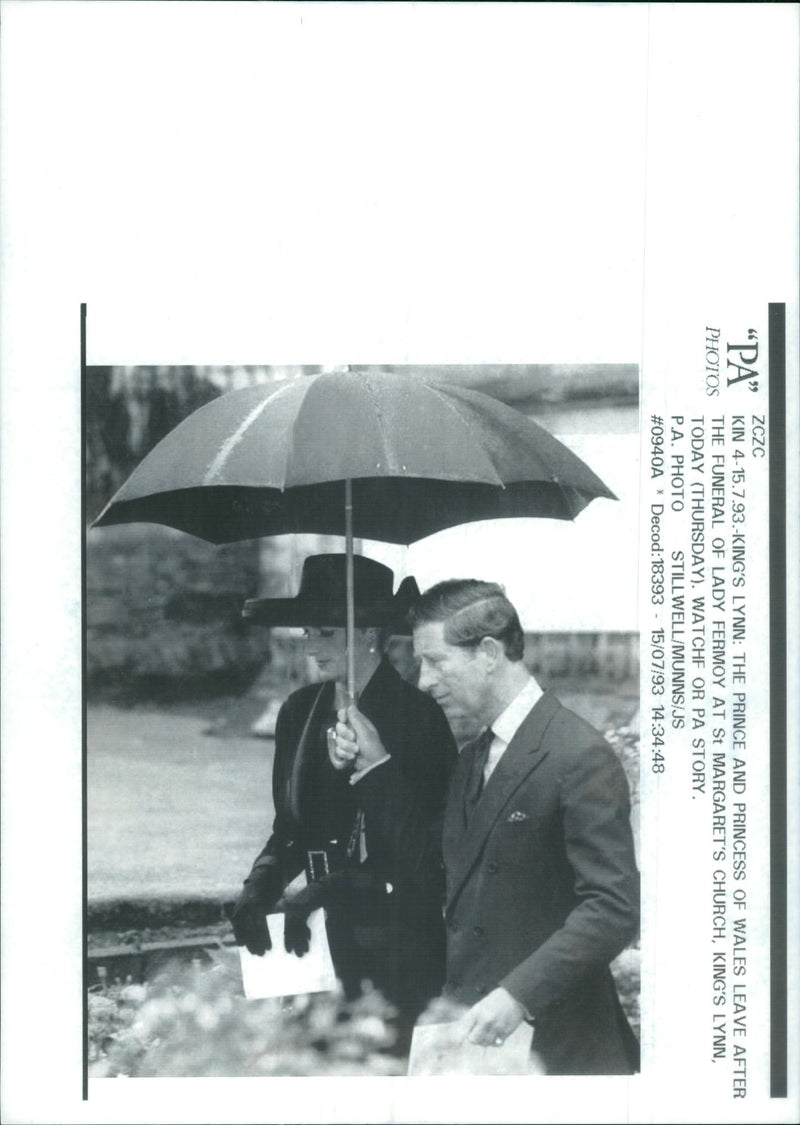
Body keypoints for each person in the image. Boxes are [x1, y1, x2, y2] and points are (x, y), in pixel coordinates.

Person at [404, 578, 640, 1075]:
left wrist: (517, 994)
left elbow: (613, 907)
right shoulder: (472, 759)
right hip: (476, 1041)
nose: (423, 680)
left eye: (435, 660)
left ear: (488, 653)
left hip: (559, 1048)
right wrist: (376, 766)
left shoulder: (579, 754)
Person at [231, 554, 457, 1034]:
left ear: (369, 634)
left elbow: (426, 853)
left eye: (326, 632)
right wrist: (263, 883)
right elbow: (289, 829)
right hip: (314, 940)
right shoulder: (300, 712)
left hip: (395, 941)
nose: (311, 644)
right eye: (308, 631)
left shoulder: (418, 719)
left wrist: (330, 888)